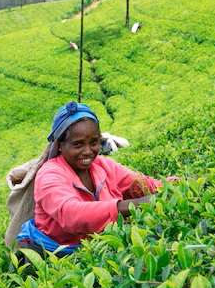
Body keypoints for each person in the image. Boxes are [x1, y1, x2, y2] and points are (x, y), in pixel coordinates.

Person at [13, 101, 173, 257]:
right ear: (60, 145)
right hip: (54, 256)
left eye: (94, 142)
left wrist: (179, 184)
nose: (88, 151)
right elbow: (71, 215)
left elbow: (144, 185)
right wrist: (133, 205)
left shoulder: (103, 165)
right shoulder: (49, 175)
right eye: (78, 144)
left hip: (96, 248)